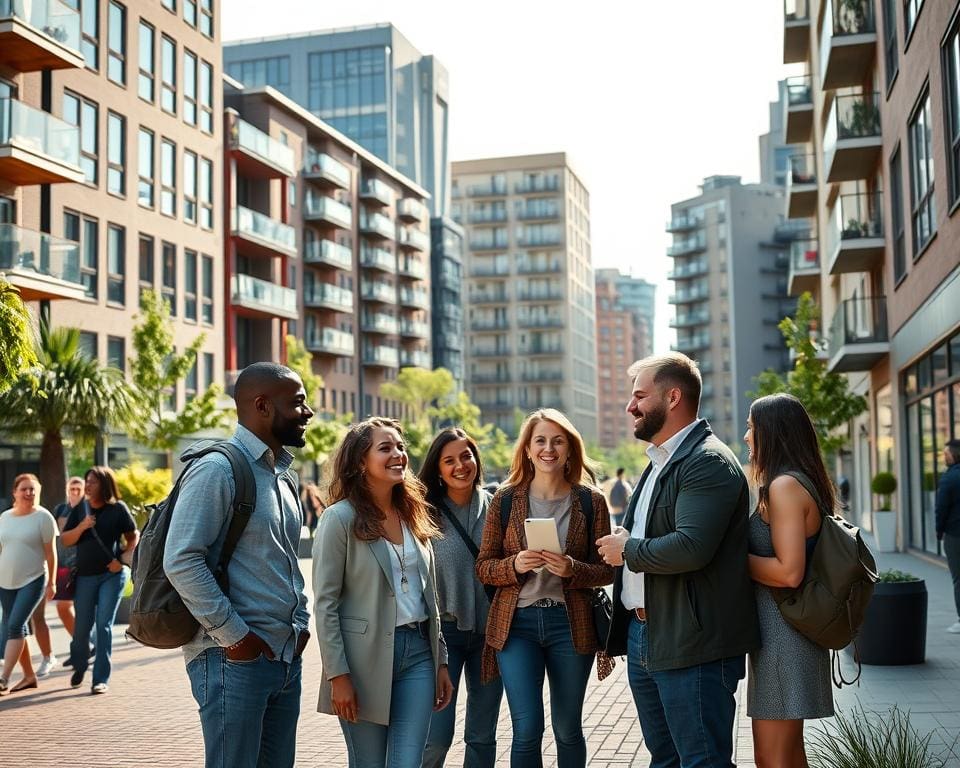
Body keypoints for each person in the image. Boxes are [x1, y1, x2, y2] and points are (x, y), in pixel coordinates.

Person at [597, 353, 760, 768]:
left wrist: (627, 549)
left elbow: (691, 547)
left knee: (702, 761)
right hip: (645, 634)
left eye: (639, 396)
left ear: (672, 397)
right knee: (665, 760)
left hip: (694, 644)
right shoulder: (656, 464)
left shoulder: (707, 461)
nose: (630, 407)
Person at [164, 362, 313, 768]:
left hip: (282, 656)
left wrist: (300, 622)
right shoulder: (217, 469)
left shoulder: (283, 474)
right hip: (231, 659)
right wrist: (235, 638)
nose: (308, 412)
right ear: (262, 406)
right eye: (297, 403)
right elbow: (181, 559)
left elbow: (284, 559)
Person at [476, 408, 614, 768]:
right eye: (540, 440)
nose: (548, 449)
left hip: (570, 626)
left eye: (557, 441)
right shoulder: (505, 500)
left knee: (568, 728)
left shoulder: (590, 501)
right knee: (527, 729)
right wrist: (514, 565)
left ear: (570, 449)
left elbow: (606, 571)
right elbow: (484, 566)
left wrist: (572, 568)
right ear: (527, 448)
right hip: (516, 625)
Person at [314, 417, 453, 768]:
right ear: (361, 461)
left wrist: (441, 660)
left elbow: (429, 595)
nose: (398, 455)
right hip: (362, 662)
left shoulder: (414, 515)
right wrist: (338, 675)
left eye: (401, 448)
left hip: (419, 654)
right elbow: (326, 604)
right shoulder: (339, 519)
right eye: (385, 448)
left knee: (407, 762)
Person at [743, 393, 835, 767]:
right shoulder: (797, 481)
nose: (747, 437)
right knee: (789, 755)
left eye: (751, 428)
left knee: (771, 759)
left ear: (771, 432)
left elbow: (789, 571)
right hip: (782, 633)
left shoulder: (785, 487)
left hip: (785, 637)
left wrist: (730, 560)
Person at [419, 428, 503, 768]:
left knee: (482, 735)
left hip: (491, 635)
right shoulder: (423, 511)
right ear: (438, 469)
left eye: (465, 456)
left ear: (476, 459)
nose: (460, 466)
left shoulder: (498, 504)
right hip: (444, 635)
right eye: (449, 460)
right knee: (436, 737)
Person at [61, 466, 139, 694]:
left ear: (104, 484)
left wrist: (122, 561)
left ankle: (100, 678)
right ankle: (80, 663)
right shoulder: (80, 509)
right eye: (87, 481)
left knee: (103, 625)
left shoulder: (118, 509)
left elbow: (133, 537)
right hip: (85, 576)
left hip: (111, 576)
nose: (88, 485)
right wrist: (83, 526)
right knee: (81, 629)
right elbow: (65, 540)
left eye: (92, 482)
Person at [0, 474, 58, 694]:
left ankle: (3, 678)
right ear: (14, 492)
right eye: (24, 489)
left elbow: (51, 554)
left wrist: (51, 582)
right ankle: (28, 676)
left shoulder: (43, 518)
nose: (29, 493)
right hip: (5, 582)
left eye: (33, 489)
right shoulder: (4, 518)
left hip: (33, 580)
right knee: (18, 628)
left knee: (14, 626)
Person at [52, 476, 85, 641]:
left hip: (83, 565)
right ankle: (82, 644)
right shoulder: (60, 510)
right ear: (67, 490)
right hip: (63, 565)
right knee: (63, 607)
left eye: (79, 489)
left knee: (83, 608)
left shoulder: (88, 509)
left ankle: (84, 646)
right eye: (73, 488)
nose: (76, 492)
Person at [937, 438, 960, 634]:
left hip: (955, 535)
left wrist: (939, 531)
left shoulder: (949, 478)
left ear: (953, 456)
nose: (944, 457)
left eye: (945, 454)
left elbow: (941, 508)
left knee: (958, 578)